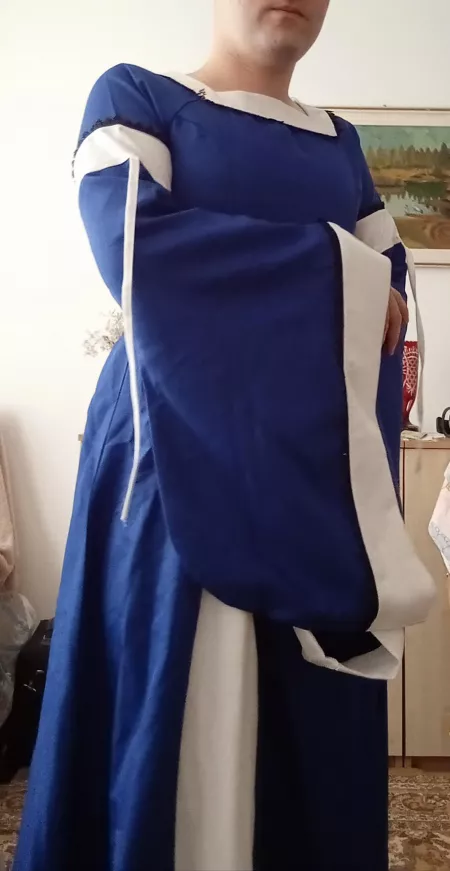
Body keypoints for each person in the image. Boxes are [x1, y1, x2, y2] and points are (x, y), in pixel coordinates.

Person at [14, 1, 434, 869]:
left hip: (312, 474)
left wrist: (355, 291)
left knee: (299, 719)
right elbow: (136, 243)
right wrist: (339, 278)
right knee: (179, 703)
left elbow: (390, 295)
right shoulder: (138, 99)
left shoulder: (341, 147)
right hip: (171, 460)